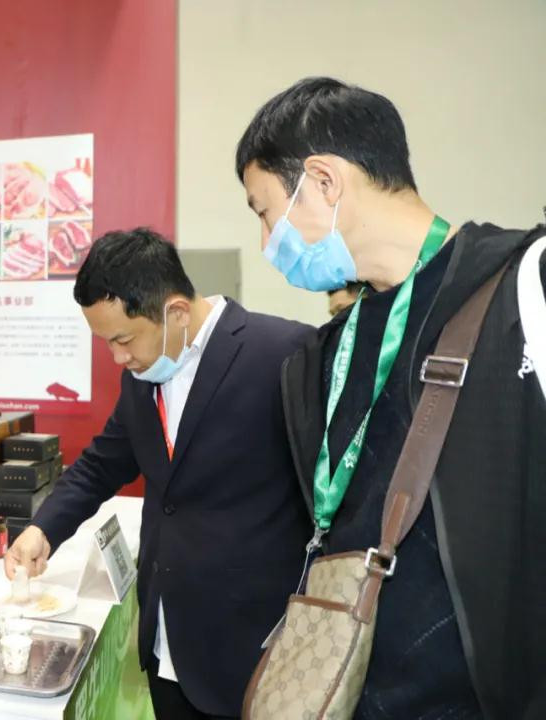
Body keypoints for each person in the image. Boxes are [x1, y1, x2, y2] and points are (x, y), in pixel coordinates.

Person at [236, 77, 545, 718]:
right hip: (355, 689)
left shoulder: (524, 289)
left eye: (265, 212)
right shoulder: (324, 355)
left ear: (324, 181)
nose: (268, 244)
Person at [6, 228, 313, 719]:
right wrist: (43, 529)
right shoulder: (142, 375)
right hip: (166, 643)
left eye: (124, 339)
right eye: (107, 343)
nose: (118, 358)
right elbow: (101, 465)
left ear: (176, 312)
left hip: (253, 651)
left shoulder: (283, 353)